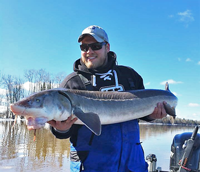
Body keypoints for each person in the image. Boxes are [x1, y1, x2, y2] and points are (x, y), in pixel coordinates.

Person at [48, 25, 167, 172]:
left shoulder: (129, 76)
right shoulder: (71, 83)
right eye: (84, 47)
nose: (89, 51)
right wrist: (61, 130)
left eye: (95, 46)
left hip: (132, 164)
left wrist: (152, 115)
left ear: (107, 47)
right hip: (91, 166)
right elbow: (63, 131)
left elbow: (142, 112)